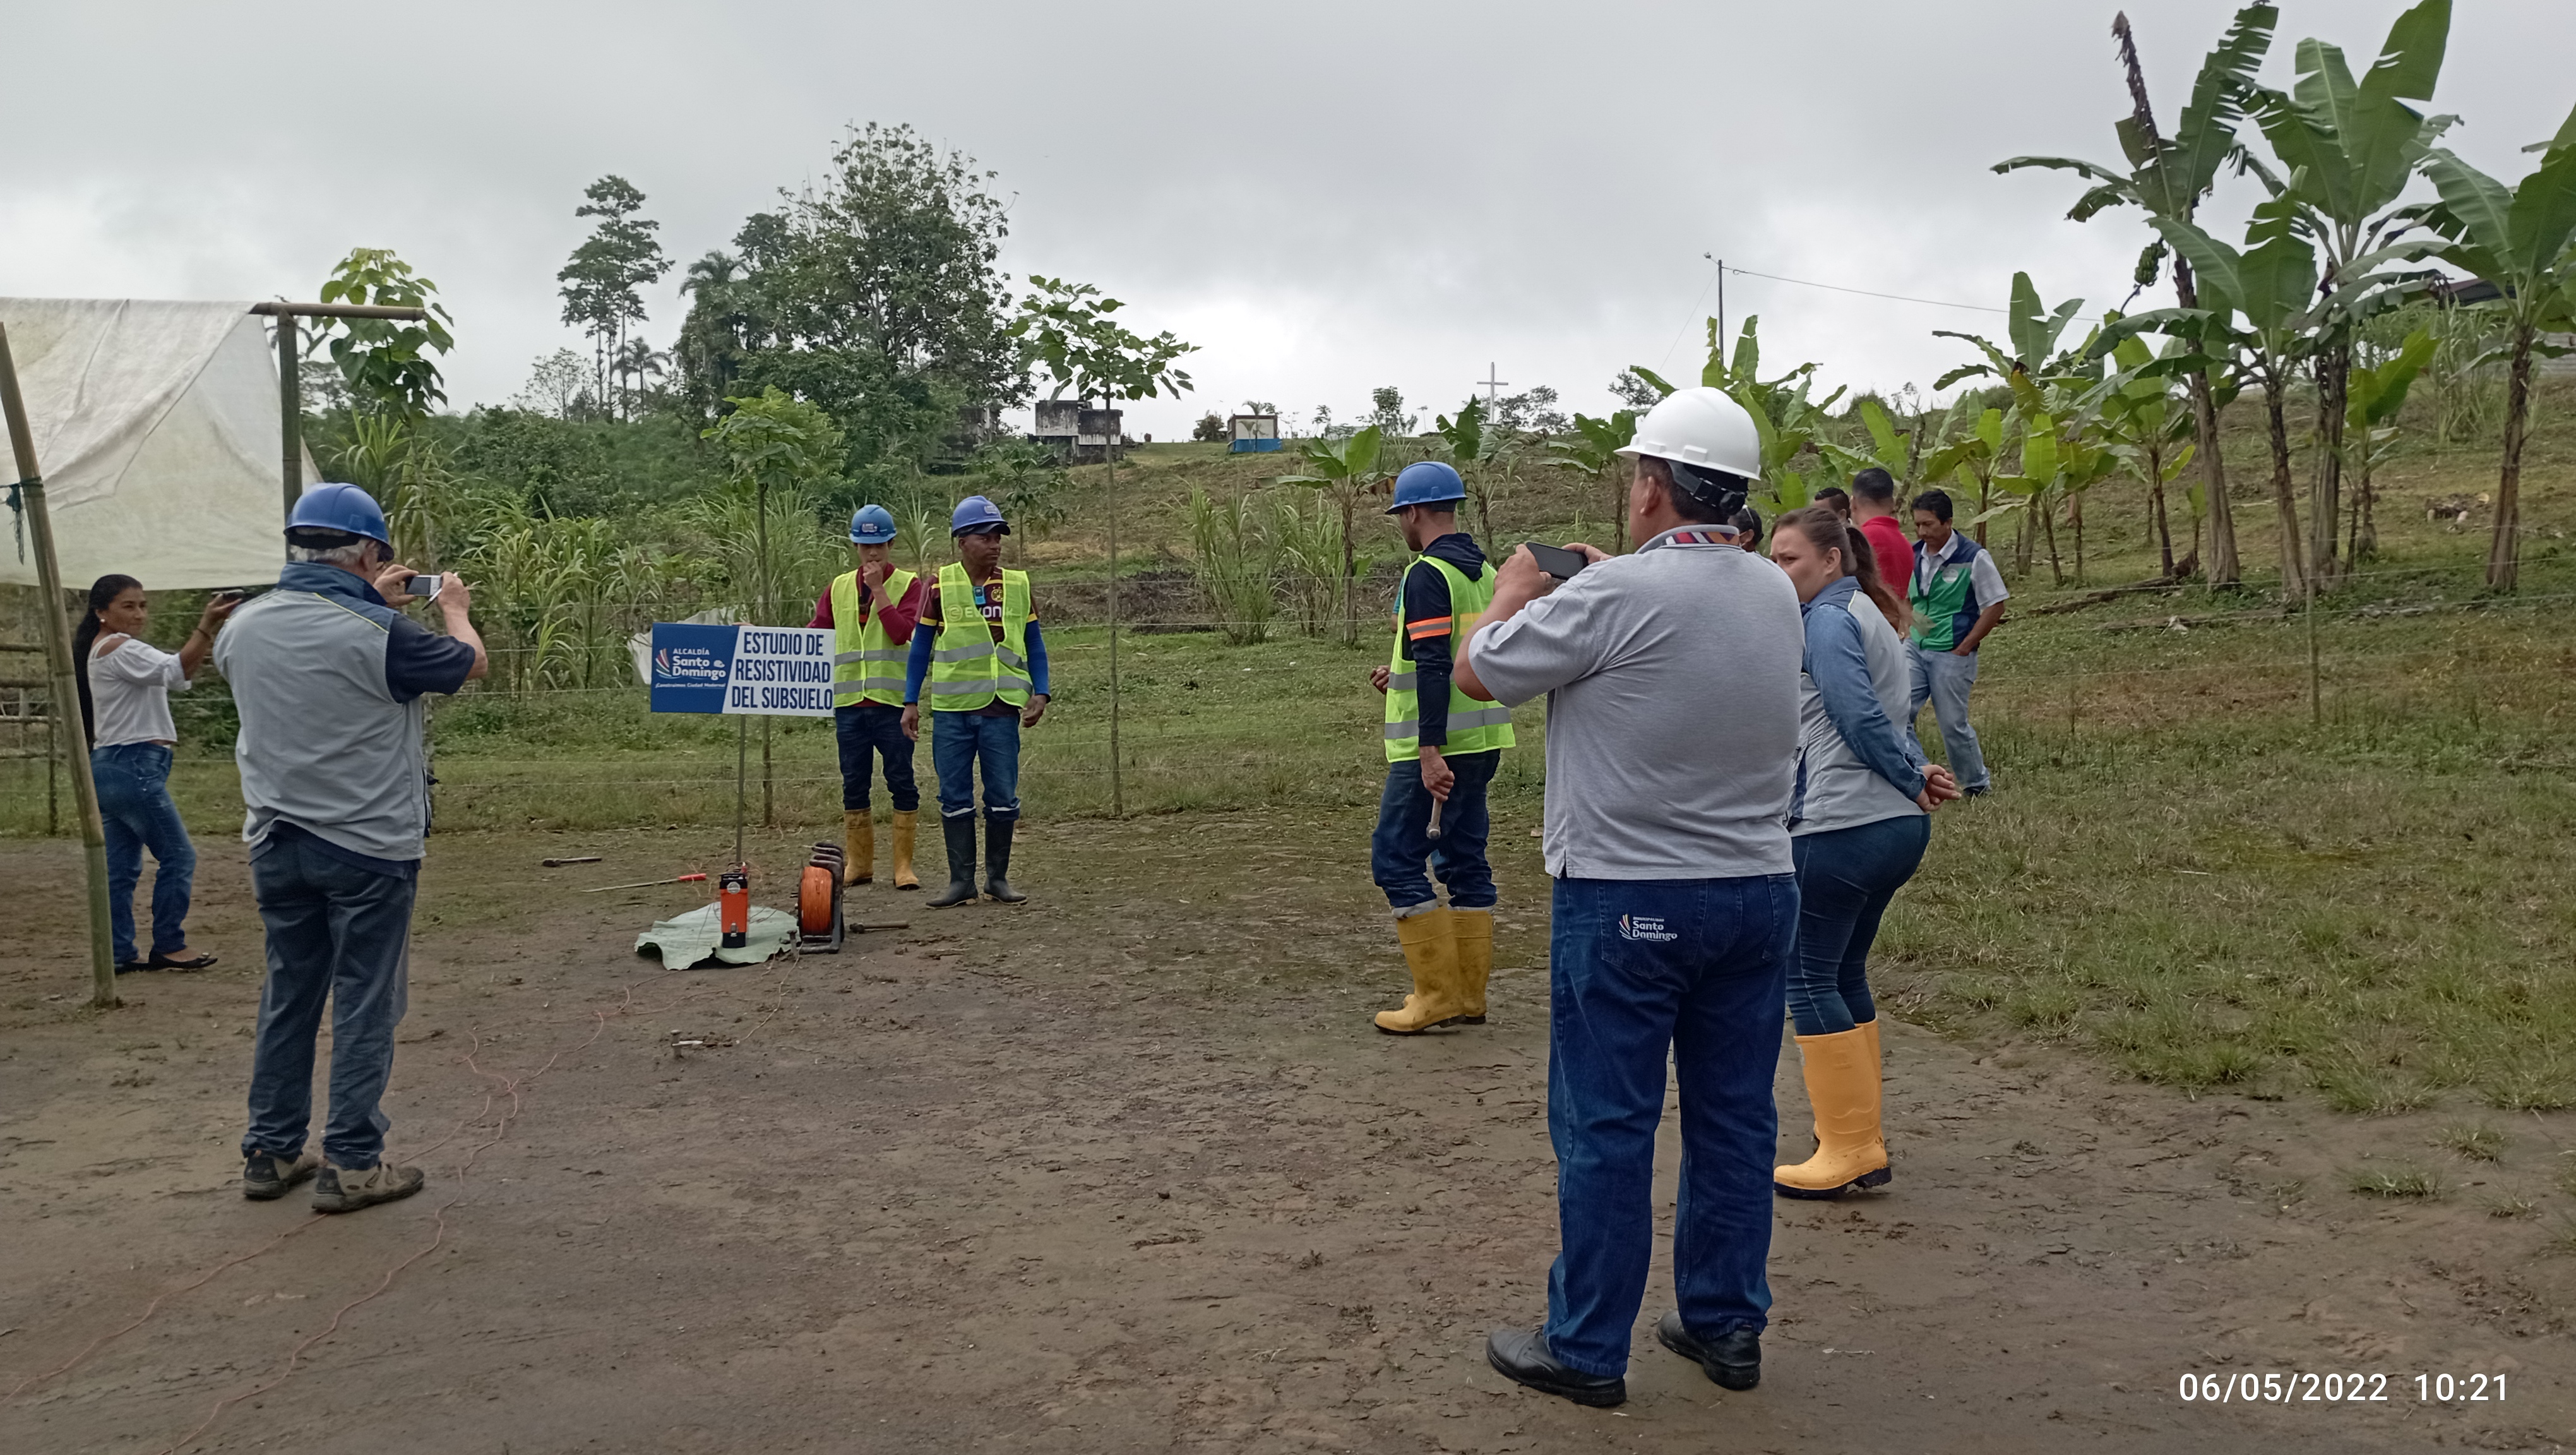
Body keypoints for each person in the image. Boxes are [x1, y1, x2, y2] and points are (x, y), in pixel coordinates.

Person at [1455, 386, 1803, 1407]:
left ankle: (1586, 1346)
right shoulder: (1772, 591)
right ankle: (1725, 1321)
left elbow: (1478, 670)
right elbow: (1684, 616)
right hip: (1758, 890)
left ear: (1651, 485)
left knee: (1607, 1124)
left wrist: (1514, 589)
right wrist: (1619, 580)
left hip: (1629, 898)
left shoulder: (1608, 597)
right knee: (1735, 1116)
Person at [214, 484, 485, 1213]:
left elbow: (311, 668)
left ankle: (271, 1149)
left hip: (275, 839)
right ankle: (354, 1161)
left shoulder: (242, 626)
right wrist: (454, 609)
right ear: (369, 554)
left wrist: (371, 605)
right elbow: (468, 664)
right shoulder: (381, 633)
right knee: (367, 1002)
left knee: (289, 996)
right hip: (367, 844)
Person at [1766, 508, 1960, 1199]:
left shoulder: (1825, 620)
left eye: (1789, 559)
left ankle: (1849, 1146)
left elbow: (1857, 715)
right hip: (1889, 828)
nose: (1778, 571)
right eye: (1773, 559)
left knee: (1807, 979)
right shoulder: (1867, 612)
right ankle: (1858, 1138)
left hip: (1838, 825)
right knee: (1843, 973)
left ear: (1831, 559)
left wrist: (1909, 776)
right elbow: (1891, 716)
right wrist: (1916, 771)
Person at [1364, 462, 1516, 1034]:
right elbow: (1450, 658)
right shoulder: (1486, 573)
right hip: (1483, 741)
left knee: (1395, 858)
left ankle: (1436, 996)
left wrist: (1429, 750)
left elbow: (1434, 664)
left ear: (1413, 513)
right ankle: (1469, 997)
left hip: (1437, 750)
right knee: (1464, 859)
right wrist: (1397, 676)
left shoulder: (1427, 574)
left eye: (1400, 515)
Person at [77, 574, 241, 973]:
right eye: (128, 606)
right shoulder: (120, 647)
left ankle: (117, 951)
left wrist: (203, 634)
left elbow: (179, 676)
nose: (139, 614)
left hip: (111, 764)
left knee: (120, 869)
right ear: (101, 612)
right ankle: (169, 943)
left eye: (143, 605)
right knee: (178, 855)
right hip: (134, 763)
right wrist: (207, 625)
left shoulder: (104, 648)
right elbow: (176, 671)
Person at [902, 496, 1050, 908]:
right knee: (954, 797)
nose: (995, 544)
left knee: (1002, 796)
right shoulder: (938, 586)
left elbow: (1035, 644)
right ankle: (961, 882)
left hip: (1001, 710)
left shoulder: (1017, 585)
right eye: (985, 537)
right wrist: (910, 701)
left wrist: (1041, 691)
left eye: (998, 537)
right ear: (962, 541)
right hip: (953, 713)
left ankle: (997, 880)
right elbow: (920, 648)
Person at [812, 504, 926, 889]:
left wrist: (878, 589)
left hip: (892, 704)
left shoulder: (910, 585)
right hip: (849, 706)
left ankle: (903, 867)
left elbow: (900, 633)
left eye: (879, 545)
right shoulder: (838, 587)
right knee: (854, 784)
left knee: (901, 781)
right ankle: (859, 865)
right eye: (865, 546)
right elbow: (815, 636)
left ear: (891, 544)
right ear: (855, 547)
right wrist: (761, 636)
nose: (872, 553)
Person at [1905, 489, 2007, 796]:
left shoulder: (1974, 557)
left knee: (1952, 724)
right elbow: (1908, 597)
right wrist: (1906, 630)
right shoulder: (1913, 554)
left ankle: (1976, 784)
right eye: (1917, 525)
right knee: (1896, 710)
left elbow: (1995, 605)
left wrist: (1966, 645)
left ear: (1948, 522)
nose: (1922, 532)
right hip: (1914, 648)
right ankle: (1916, 773)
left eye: (1928, 524)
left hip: (1952, 654)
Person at [1849, 468, 1912, 605]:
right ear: (1892, 504)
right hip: (1898, 617)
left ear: (1853, 504)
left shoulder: (1858, 540)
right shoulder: (1905, 544)